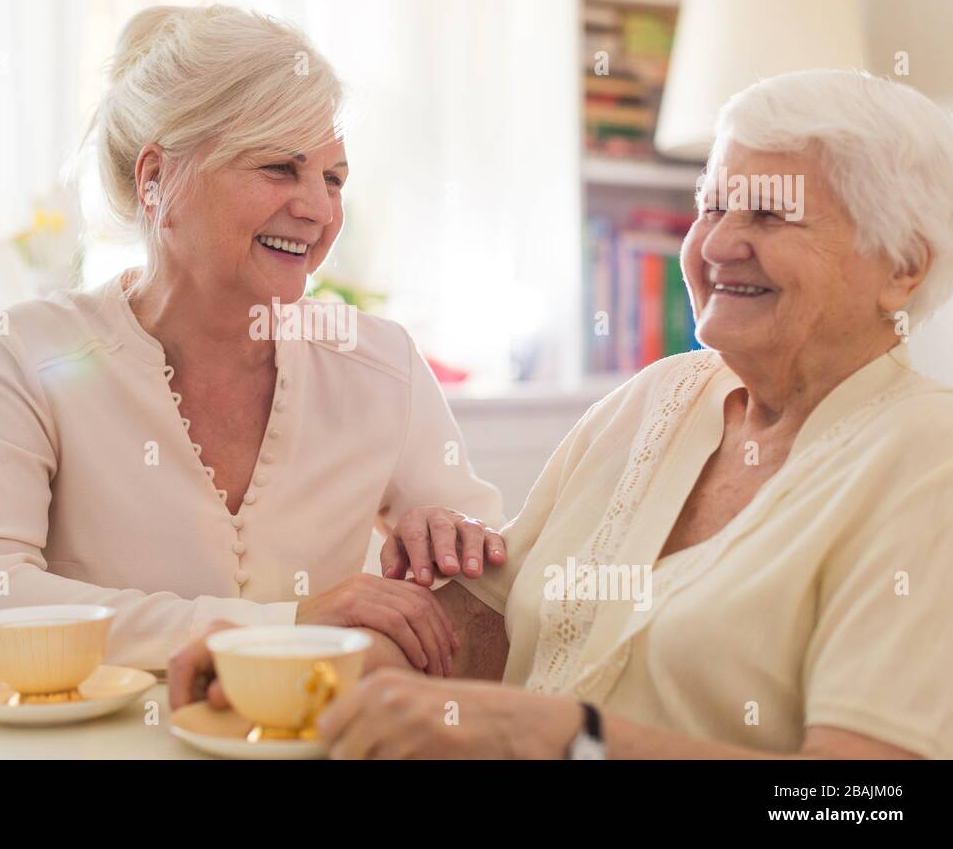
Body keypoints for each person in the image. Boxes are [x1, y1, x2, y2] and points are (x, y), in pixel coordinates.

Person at [174, 70, 953, 759]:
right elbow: (479, 638)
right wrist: (279, 660)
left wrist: (564, 740)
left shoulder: (927, 461)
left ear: (903, 267)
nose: (717, 245)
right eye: (712, 206)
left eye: (770, 217)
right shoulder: (661, 397)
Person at [0, 5, 505, 676]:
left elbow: (492, 591)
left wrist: (441, 545)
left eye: (333, 178)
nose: (319, 209)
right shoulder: (33, 350)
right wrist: (285, 627)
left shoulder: (380, 362)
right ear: (156, 182)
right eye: (278, 168)